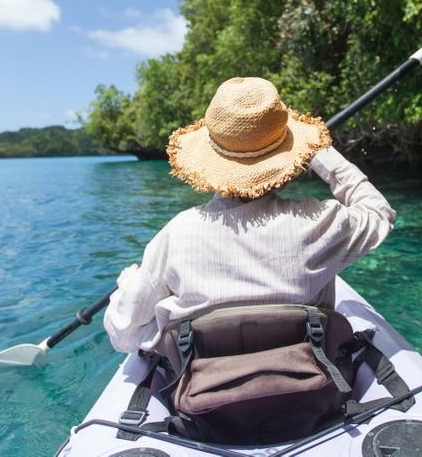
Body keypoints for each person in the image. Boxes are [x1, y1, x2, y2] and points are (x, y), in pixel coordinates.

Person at [103, 76, 395, 354]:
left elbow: (124, 335)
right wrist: (323, 154)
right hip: (312, 386)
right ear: (293, 156)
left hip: (204, 398)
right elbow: (379, 213)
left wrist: (128, 287)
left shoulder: (177, 234)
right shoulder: (319, 222)